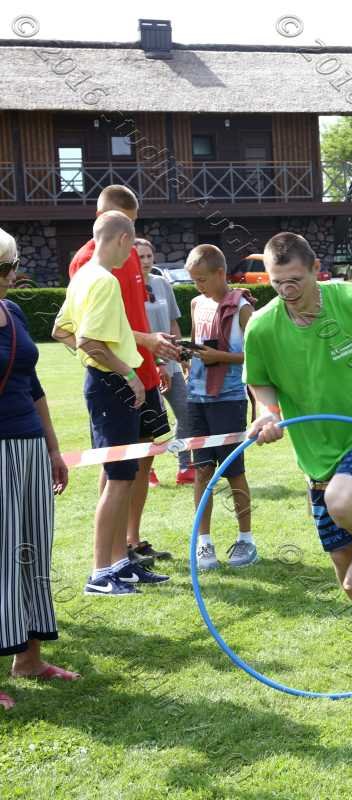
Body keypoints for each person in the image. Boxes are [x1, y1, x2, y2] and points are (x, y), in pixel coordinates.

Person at [244, 232, 352, 660]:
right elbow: (260, 381)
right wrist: (267, 412)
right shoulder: (262, 326)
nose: (287, 290)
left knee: (343, 501)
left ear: (316, 269)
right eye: (277, 282)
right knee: (344, 567)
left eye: (295, 280)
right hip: (315, 453)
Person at [53, 211, 169, 594]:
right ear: (123, 240)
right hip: (111, 386)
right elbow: (87, 340)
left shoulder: (83, 276)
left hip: (103, 383)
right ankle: (100, 573)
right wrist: (126, 374)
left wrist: (95, 364)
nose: (130, 256)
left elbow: (61, 330)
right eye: (131, 247)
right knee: (119, 480)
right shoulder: (103, 279)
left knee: (124, 476)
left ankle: (119, 563)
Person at [0, 228, 79, 710]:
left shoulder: (13, 312)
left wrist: (52, 448)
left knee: (31, 551)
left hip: (28, 446)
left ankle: (29, 659)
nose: (9, 278)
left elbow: (32, 384)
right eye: (3, 270)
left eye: (9, 268)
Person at [185, 245, 257, 569]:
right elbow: (194, 343)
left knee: (233, 472)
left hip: (229, 398)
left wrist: (220, 357)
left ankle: (246, 540)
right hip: (196, 398)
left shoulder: (242, 308)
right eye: (194, 280)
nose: (198, 286)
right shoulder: (195, 304)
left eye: (202, 279)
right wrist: (184, 354)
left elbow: (257, 357)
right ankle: (204, 544)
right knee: (201, 471)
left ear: (220, 273)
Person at [136, 237, 193, 490]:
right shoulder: (126, 287)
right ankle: (147, 471)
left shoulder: (161, 283)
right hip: (142, 366)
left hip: (169, 363)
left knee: (186, 411)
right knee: (147, 421)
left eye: (149, 256)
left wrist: (181, 354)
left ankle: (185, 467)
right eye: (140, 257)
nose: (146, 261)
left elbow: (172, 323)